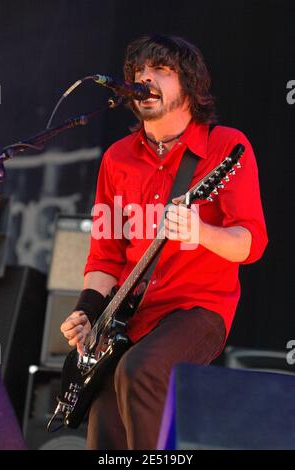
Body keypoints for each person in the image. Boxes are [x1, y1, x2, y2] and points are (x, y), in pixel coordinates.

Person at [60, 34, 268, 450]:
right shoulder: (117, 158)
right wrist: (87, 311)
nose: (145, 79)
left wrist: (201, 232)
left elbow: (251, 243)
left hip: (199, 309)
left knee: (141, 370)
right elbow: (106, 253)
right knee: (105, 422)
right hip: (129, 317)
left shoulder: (226, 146)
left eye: (161, 70)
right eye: (138, 72)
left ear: (188, 83)